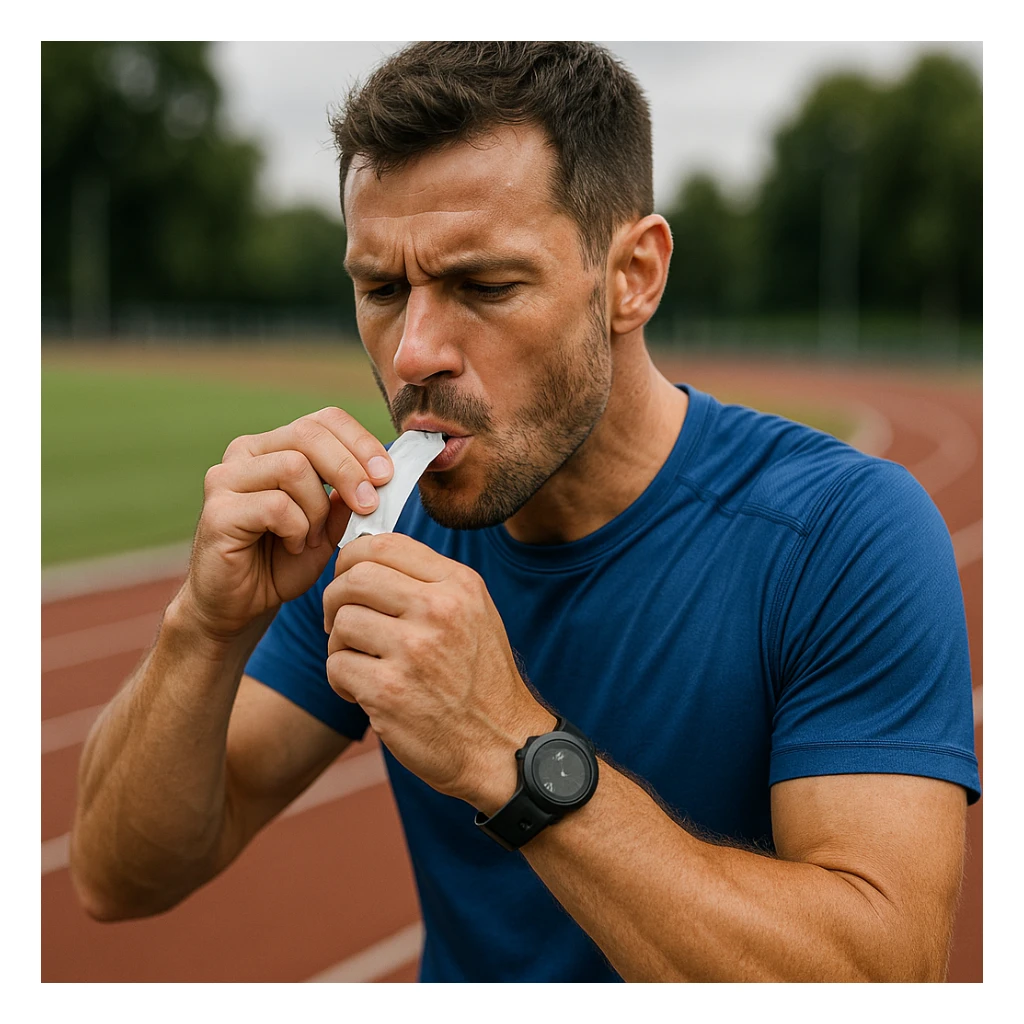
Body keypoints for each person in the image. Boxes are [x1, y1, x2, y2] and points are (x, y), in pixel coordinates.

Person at [69, 41, 979, 983]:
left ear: (633, 275)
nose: (414, 350)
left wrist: (509, 749)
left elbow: (884, 979)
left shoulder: (842, 534)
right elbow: (115, 876)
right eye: (380, 290)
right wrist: (205, 628)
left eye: (485, 286)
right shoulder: (374, 527)